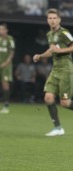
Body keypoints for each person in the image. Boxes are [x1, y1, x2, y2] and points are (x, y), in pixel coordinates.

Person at [33, 8, 73, 136]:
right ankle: (58, 128)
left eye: (55, 18)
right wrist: (40, 56)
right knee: (48, 98)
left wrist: (59, 51)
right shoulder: (49, 35)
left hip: (66, 70)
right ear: (47, 20)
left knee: (65, 103)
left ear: (59, 20)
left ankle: (58, 128)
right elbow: (51, 51)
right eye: (50, 18)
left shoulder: (64, 33)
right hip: (55, 70)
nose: (52, 20)